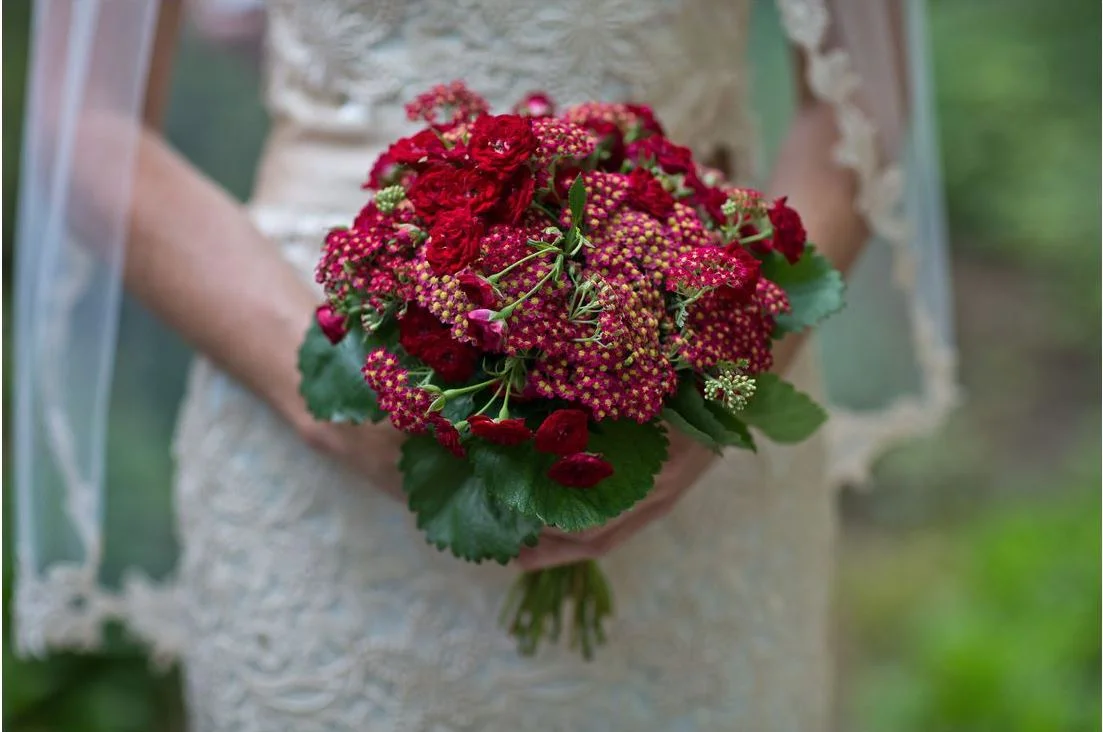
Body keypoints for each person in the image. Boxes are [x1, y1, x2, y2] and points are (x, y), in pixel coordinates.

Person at [13, 1, 956, 730]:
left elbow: (859, 102)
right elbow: (86, 122)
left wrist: (719, 374)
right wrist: (330, 390)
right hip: (312, 411)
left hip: (687, 396)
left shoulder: (709, 378)